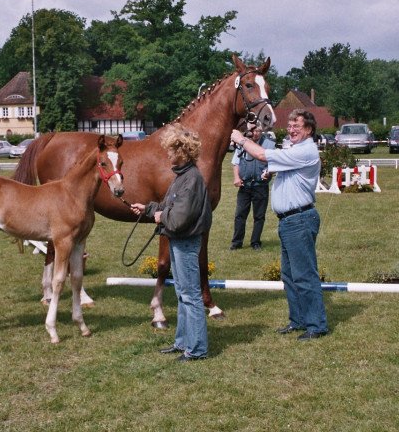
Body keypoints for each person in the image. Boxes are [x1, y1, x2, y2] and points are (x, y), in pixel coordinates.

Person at [231, 109, 328, 341]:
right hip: (289, 221)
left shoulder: (306, 151)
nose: (292, 130)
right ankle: (298, 321)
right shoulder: (294, 149)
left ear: (309, 130)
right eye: (290, 125)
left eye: (298, 126)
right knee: (289, 275)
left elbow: (264, 155)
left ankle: (316, 324)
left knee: (304, 275)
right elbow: (267, 161)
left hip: (299, 220)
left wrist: (242, 138)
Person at [131, 124, 212, 361]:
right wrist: (147, 209)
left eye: (170, 150)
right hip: (179, 242)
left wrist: (159, 216)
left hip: (185, 242)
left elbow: (177, 219)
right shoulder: (182, 177)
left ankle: (197, 349)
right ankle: (183, 343)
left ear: (181, 152)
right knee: (182, 293)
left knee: (190, 295)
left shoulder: (191, 180)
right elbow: (170, 208)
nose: (167, 154)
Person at [230, 123, 276, 251]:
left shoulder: (269, 144)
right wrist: (236, 178)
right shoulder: (242, 143)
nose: (256, 133)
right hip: (245, 185)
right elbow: (235, 162)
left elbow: (273, 163)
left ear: (262, 131)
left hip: (260, 185)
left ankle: (255, 242)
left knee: (259, 216)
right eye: (253, 131)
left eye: (258, 131)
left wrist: (269, 172)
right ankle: (237, 242)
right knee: (240, 215)